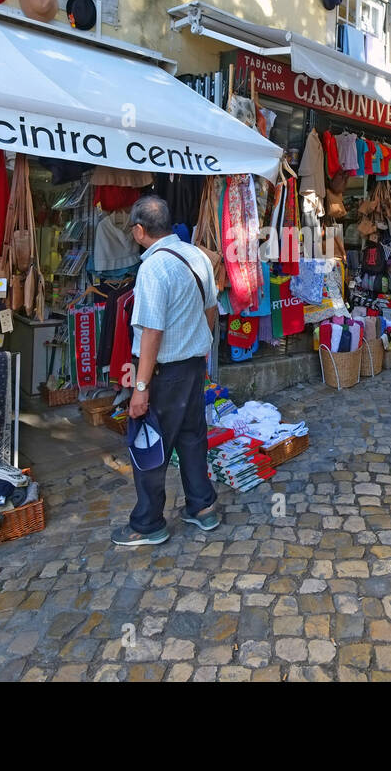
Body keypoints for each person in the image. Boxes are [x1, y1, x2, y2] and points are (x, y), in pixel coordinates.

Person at [113, 195, 220, 547]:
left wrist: (140, 387)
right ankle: (202, 507)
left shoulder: (153, 268)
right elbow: (211, 311)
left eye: (133, 229)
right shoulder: (196, 255)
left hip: (164, 371)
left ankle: (148, 524)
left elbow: (152, 332)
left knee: (150, 446)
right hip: (191, 366)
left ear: (140, 230)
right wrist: (200, 349)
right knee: (192, 437)